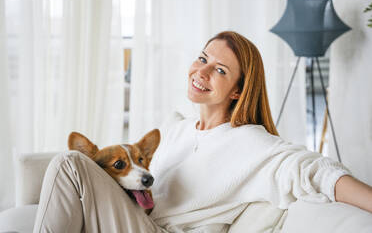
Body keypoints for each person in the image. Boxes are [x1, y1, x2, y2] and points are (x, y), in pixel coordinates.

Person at [33, 31, 372, 233]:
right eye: (202, 58)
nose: (202, 71)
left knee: (69, 164)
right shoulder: (176, 127)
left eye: (220, 70)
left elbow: (318, 172)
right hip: (138, 221)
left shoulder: (252, 143)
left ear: (238, 91)